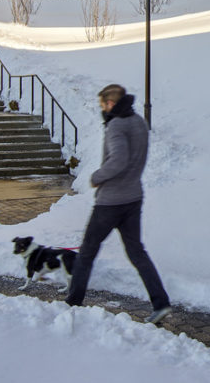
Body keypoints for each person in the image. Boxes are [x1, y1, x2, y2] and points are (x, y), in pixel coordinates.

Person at [65, 84, 171, 324]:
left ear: (110, 104)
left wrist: (96, 177)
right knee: (137, 252)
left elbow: (119, 160)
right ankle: (161, 302)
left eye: (102, 105)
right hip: (133, 197)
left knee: (87, 252)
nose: (101, 110)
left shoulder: (116, 125)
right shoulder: (138, 122)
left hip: (110, 202)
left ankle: (72, 303)